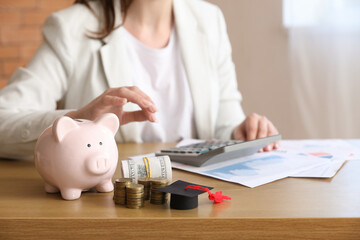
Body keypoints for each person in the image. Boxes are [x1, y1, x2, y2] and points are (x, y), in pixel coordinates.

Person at [0, 0, 279, 159]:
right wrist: (76, 120)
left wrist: (242, 131)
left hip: (199, 203)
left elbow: (224, 123)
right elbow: (4, 119)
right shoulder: (72, 28)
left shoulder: (209, 20)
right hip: (112, 205)